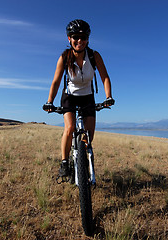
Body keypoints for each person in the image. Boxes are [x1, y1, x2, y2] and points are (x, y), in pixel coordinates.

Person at [43, 19, 115, 177]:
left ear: (88, 39)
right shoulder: (65, 57)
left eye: (83, 37)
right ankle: (64, 162)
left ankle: (82, 158)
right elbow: (55, 82)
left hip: (87, 96)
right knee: (69, 129)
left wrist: (108, 96)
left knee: (89, 134)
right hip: (70, 96)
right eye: (75, 37)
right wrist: (50, 101)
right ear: (69, 38)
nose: (79, 41)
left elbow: (105, 78)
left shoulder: (94, 56)